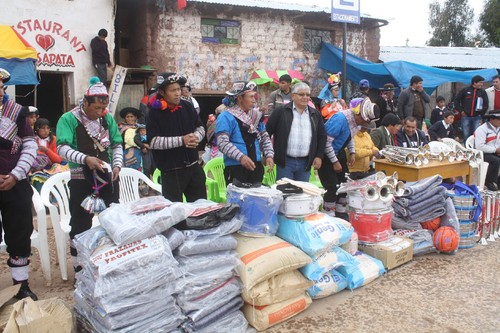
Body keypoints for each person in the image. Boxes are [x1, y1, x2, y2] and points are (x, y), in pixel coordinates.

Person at [56, 78, 123, 272]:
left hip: (108, 177)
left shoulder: (106, 118)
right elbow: (62, 148)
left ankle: (112, 263)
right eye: (97, 109)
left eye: (104, 109)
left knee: (112, 220)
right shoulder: (68, 119)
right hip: (81, 179)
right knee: (80, 224)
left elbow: (116, 143)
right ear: (85, 103)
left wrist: (117, 165)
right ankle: (80, 269)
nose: (101, 113)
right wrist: (86, 159)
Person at [0, 68, 38, 300]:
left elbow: (29, 144)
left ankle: (21, 285)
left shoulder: (17, 112)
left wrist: (15, 174)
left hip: (17, 182)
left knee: (19, 233)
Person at [146, 73, 206, 202]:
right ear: (162, 92)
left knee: (200, 209)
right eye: (173, 90)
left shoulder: (187, 106)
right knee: (176, 214)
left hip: (194, 167)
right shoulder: (153, 113)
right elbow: (153, 142)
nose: (178, 93)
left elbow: (200, 127)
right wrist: (182, 140)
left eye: (179, 89)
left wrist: (195, 137)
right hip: (171, 172)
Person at [320, 97, 380, 216]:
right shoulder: (340, 119)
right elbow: (326, 142)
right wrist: (334, 162)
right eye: (364, 121)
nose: (364, 124)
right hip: (327, 155)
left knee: (345, 184)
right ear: (359, 115)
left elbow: (350, 136)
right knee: (332, 186)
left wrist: (352, 152)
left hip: (340, 152)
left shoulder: (356, 122)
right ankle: (329, 215)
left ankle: (341, 213)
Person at [216, 80, 274, 184]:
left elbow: (265, 137)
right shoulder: (226, 117)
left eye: (254, 96)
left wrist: (269, 155)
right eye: (251, 97)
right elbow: (222, 142)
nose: (254, 101)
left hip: (255, 165)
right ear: (240, 98)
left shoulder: (256, 116)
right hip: (235, 167)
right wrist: (241, 157)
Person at [266, 82, 326, 182]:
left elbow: (322, 136)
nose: (305, 97)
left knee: (302, 195)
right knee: (284, 193)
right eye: (301, 94)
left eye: (307, 95)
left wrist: (319, 156)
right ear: (292, 96)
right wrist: (267, 154)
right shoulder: (281, 112)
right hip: (285, 162)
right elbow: (266, 133)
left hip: (305, 163)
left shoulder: (315, 114)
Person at [454, 75, 489, 141]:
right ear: (475, 83)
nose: (482, 84)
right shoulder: (465, 90)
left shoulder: (482, 92)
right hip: (466, 116)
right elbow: (456, 101)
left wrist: (481, 115)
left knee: (476, 134)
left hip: (477, 117)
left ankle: (475, 149)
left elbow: (486, 104)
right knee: (466, 134)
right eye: (480, 82)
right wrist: (461, 111)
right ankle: (467, 149)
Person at [474, 109, 500, 191]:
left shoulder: (498, 129)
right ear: (491, 119)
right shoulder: (482, 129)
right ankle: (490, 182)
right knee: (495, 161)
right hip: (482, 153)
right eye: (498, 119)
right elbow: (479, 146)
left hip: (495, 151)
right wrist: (495, 150)